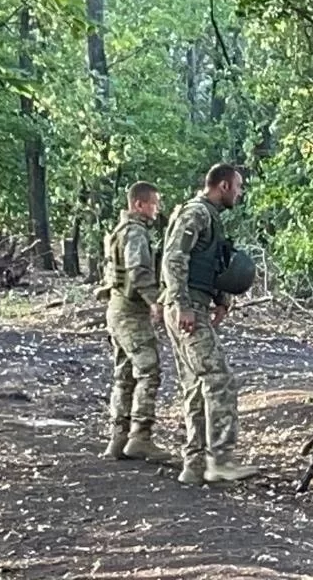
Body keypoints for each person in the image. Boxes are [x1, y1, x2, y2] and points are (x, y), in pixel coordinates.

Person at [161, 163, 258, 484]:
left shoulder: (210, 217)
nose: (241, 193)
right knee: (219, 379)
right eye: (239, 186)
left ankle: (195, 465)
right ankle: (221, 459)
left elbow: (210, 262)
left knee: (196, 385)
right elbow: (174, 258)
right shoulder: (197, 214)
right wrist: (182, 305)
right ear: (224, 186)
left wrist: (222, 299)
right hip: (187, 309)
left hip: (195, 305)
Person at [97, 181, 173, 464]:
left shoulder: (119, 230)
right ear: (139, 205)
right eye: (154, 203)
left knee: (124, 374)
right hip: (130, 312)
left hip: (117, 309)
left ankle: (119, 438)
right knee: (148, 370)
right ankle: (140, 437)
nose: (157, 209)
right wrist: (155, 301)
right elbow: (138, 270)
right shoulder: (135, 233)